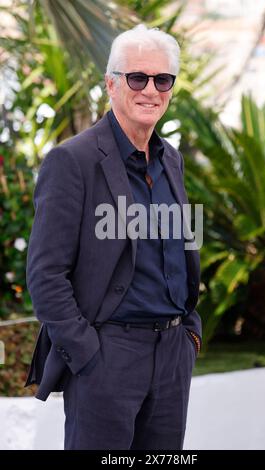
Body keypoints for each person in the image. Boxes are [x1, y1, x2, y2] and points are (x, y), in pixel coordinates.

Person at [25, 24, 202, 450]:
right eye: (137, 78)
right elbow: (46, 275)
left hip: (172, 355)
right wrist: (88, 353)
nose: (150, 90)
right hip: (107, 357)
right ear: (111, 84)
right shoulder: (72, 161)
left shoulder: (171, 160)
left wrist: (190, 334)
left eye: (163, 80)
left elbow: (180, 252)